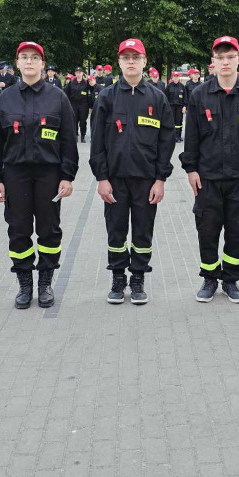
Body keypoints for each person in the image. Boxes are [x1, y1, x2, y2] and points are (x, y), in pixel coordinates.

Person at [0, 41, 79, 309]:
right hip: (15, 174)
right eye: (24, 57)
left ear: (42, 63)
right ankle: (25, 284)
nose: (29, 62)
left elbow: (68, 141)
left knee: (49, 230)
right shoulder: (6, 98)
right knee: (18, 229)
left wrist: (67, 176)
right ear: (17, 63)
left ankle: (45, 282)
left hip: (49, 174)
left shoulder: (57, 97)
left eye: (34, 58)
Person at [181, 36, 239, 303]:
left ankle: (231, 280)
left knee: (237, 229)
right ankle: (209, 277)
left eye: (230, 56)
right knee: (207, 229)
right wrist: (191, 169)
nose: (225, 61)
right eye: (220, 57)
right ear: (213, 62)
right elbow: (192, 137)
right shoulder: (200, 95)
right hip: (207, 178)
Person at [89, 38, 175, 304]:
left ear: (144, 61)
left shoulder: (157, 98)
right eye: (125, 57)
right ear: (119, 62)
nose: (130, 62)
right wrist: (101, 178)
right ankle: (117, 278)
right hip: (114, 180)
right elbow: (97, 142)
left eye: (135, 57)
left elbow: (166, 141)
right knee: (115, 232)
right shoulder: (107, 97)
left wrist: (160, 179)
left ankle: (137, 278)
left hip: (146, 180)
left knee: (142, 232)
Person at [63, 67, 92, 143]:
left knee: (83, 121)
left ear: (82, 73)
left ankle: (83, 136)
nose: (78, 74)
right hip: (73, 104)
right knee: (74, 121)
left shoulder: (86, 83)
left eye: (80, 72)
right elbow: (65, 92)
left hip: (83, 105)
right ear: (75, 73)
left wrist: (90, 106)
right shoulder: (71, 82)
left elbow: (90, 94)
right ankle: (75, 135)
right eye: (77, 72)